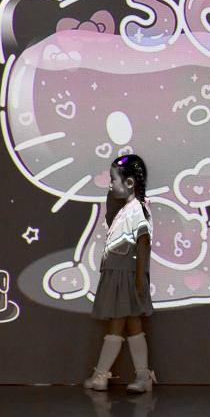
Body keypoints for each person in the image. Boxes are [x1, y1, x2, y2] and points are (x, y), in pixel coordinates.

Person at [84, 154, 157, 393]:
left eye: (113, 179)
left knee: (119, 322)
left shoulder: (137, 210)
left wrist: (139, 277)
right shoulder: (126, 210)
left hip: (126, 275)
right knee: (132, 323)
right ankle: (142, 376)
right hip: (119, 274)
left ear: (129, 183)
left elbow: (143, 243)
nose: (110, 184)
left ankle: (101, 375)